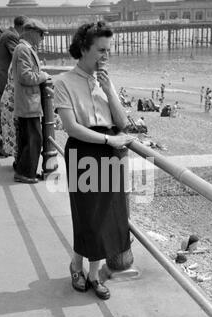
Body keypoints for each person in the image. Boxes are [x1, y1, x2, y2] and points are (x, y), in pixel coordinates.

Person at [54, 21, 134, 300]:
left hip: (111, 152)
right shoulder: (63, 82)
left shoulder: (106, 81)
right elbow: (71, 127)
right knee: (87, 215)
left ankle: (93, 274)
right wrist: (108, 140)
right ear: (84, 48)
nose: (106, 55)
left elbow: (123, 123)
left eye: (109, 50)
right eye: (101, 49)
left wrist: (110, 88)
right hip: (85, 151)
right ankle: (77, 265)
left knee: (106, 217)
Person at [12, 18, 50, 184]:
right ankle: (26, 173)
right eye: (41, 34)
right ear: (32, 33)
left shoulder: (24, 49)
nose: (42, 38)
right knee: (34, 139)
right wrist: (44, 76)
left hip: (28, 102)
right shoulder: (23, 50)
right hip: (29, 103)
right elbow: (25, 76)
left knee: (27, 138)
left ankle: (24, 170)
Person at [0, 15, 28, 157]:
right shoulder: (11, 36)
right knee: (0, 115)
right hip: (1, 80)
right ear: (22, 27)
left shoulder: (7, 33)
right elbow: (17, 56)